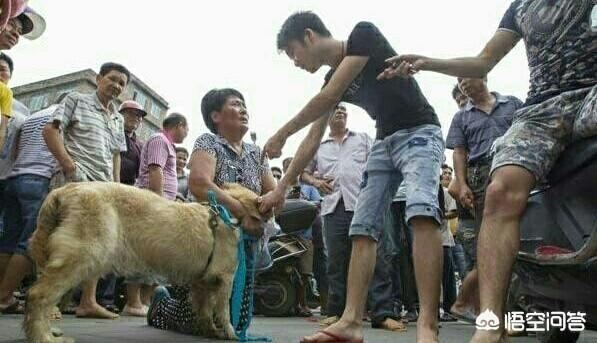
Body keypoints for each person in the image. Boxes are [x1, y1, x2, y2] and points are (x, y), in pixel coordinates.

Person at [380, 1, 596, 341]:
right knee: (499, 193)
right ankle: (490, 324)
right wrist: (427, 62)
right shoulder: (521, 7)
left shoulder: (507, 103)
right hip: (543, 108)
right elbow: (483, 60)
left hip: (592, 93)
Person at [260, 12, 444, 342]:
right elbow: (313, 139)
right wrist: (283, 187)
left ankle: (428, 326)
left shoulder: (363, 34)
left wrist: (281, 133)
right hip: (385, 140)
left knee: (420, 211)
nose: (295, 62)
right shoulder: (330, 79)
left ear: (309, 36)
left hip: (419, 131)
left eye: (292, 53)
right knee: (362, 227)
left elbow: (328, 98)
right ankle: (350, 322)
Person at [147, 88, 275, 335]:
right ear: (216, 116)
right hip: (208, 239)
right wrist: (241, 211)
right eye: (236, 104)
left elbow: (271, 193)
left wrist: (267, 208)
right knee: (199, 319)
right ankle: (161, 306)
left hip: (245, 241)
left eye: (244, 104)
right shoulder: (208, 142)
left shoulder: (257, 153)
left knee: (236, 323)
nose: (244, 109)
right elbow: (199, 184)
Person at [300, 103, 405, 332]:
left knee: (378, 258)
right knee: (336, 261)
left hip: (366, 204)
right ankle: (336, 312)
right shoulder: (318, 145)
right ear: (327, 116)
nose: (340, 111)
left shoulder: (363, 139)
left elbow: (380, 163)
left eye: (344, 110)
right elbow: (304, 173)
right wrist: (316, 182)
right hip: (333, 207)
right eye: (335, 108)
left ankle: (382, 313)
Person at [43, 62, 130, 319]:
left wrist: (116, 184)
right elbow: (51, 130)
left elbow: (116, 155)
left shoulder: (117, 117)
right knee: (61, 239)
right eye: (112, 79)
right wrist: (69, 165)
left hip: (104, 187)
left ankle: (88, 302)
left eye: (121, 84)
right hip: (75, 180)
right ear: (98, 78)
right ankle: (48, 300)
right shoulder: (76, 99)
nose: (116, 86)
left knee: (98, 243)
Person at [447, 77, 523, 325]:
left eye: (467, 77)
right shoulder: (461, 117)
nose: (463, 84)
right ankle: (494, 314)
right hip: (481, 179)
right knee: (492, 246)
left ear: (484, 75)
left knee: (525, 243)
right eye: (459, 82)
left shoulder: (512, 104)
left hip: (517, 170)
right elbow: (459, 152)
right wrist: (462, 181)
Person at [0, 93, 63, 314]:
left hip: (15, 177)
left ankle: (3, 294)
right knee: (31, 242)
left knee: (8, 241)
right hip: (39, 179)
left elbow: (15, 147)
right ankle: (4, 296)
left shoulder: (32, 117)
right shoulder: (61, 114)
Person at [282, 157, 321, 317]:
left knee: (305, 273)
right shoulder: (280, 187)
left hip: (305, 235)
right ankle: (291, 303)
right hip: (284, 236)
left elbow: (319, 204)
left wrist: (304, 202)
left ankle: (303, 303)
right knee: (288, 270)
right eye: (287, 167)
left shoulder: (309, 188)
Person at [119, 100, 146, 186]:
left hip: (128, 189)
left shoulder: (141, 146)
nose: (135, 118)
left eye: (138, 115)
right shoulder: (110, 133)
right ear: (120, 115)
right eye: (131, 113)